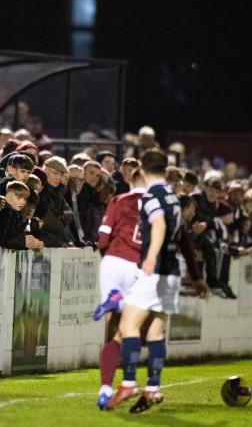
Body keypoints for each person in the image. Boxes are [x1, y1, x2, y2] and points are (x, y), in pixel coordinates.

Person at [113, 149, 182, 413]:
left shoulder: (152, 194)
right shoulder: (173, 194)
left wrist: (151, 257)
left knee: (128, 326)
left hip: (155, 271)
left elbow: (160, 224)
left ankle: (129, 382)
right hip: (172, 271)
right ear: (165, 170)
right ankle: (152, 387)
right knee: (155, 332)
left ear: (141, 170)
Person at [93, 167, 147, 410]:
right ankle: (127, 383)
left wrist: (109, 258)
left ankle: (105, 388)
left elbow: (102, 239)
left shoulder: (118, 200)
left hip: (112, 263)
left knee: (113, 329)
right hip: (136, 268)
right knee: (132, 332)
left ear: (130, 181)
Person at [34, 156, 73, 247]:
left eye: (60, 174)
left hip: (51, 243)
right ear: (45, 170)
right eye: (55, 173)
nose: (58, 177)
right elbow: (47, 220)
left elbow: (70, 214)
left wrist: (58, 217)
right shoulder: (40, 192)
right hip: (41, 243)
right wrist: (61, 222)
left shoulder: (59, 192)